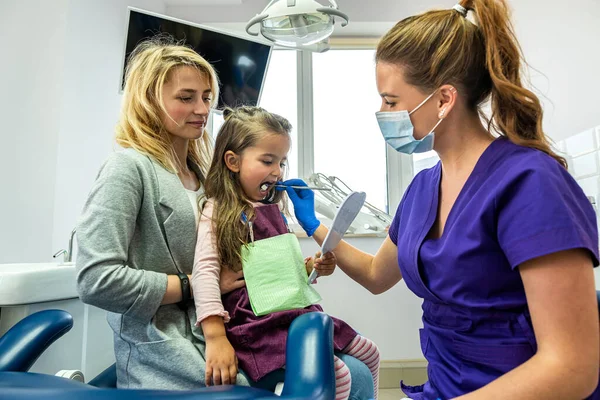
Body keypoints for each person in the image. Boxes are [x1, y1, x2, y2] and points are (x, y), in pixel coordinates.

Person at [281, 0, 600, 399]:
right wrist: (314, 225)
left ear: (444, 99)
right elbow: (377, 276)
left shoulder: (530, 182)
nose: (381, 112)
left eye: (391, 101)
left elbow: (571, 367)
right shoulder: (423, 188)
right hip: (445, 386)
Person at [75, 38, 375, 397]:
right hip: (172, 346)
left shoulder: (205, 177)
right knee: (344, 378)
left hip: (231, 331)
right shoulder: (128, 169)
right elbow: (95, 280)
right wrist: (193, 286)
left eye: (206, 97)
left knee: (355, 370)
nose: (202, 109)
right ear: (148, 101)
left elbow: (239, 265)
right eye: (186, 98)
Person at [191, 106, 380, 400]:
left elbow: (277, 269)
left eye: (281, 162)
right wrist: (214, 336)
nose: (277, 172)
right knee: (340, 374)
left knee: (370, 352)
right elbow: (203, 274)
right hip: (260, 328)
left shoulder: (276, 210)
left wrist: (309, 268)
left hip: (296, 315)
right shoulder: (216, 211)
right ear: (232, 161)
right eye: (268, 161)